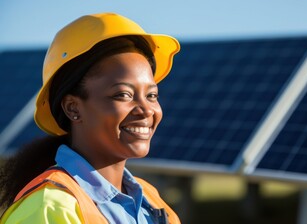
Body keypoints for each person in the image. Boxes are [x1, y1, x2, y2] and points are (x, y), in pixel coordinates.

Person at [0, 12, 181, 224]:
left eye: (152, 95)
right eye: (123, 94)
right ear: (72, 108)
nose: (146, 110)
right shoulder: (49, 208)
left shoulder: (152, 201)